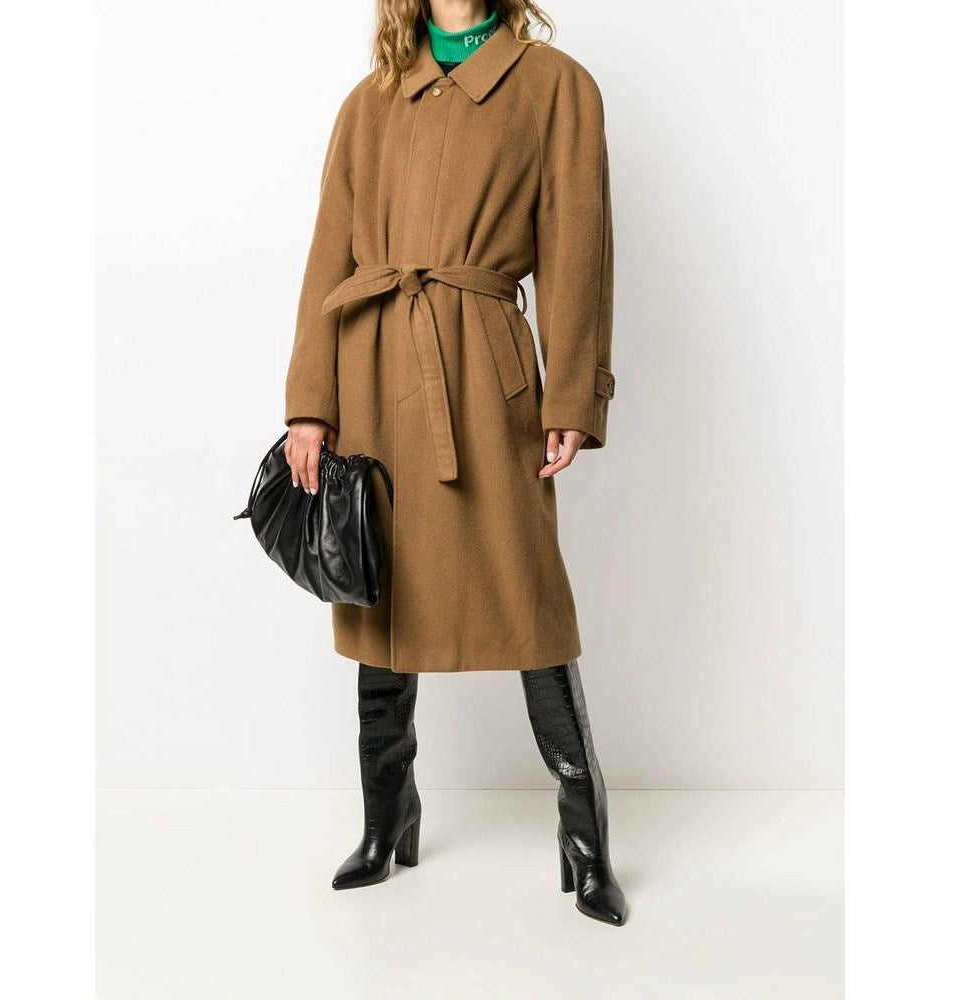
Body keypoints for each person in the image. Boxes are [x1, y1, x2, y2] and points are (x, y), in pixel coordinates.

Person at [283, 0, 625, 925]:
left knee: (528, 594)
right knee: (376, 589)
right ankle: (386, 814)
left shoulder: (555, 87)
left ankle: (584, 835)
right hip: (371, 367)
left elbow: (577, 251)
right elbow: (327, 256)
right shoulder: (371, 100)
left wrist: (572, 398)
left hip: (484, 374)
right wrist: (311, 403)